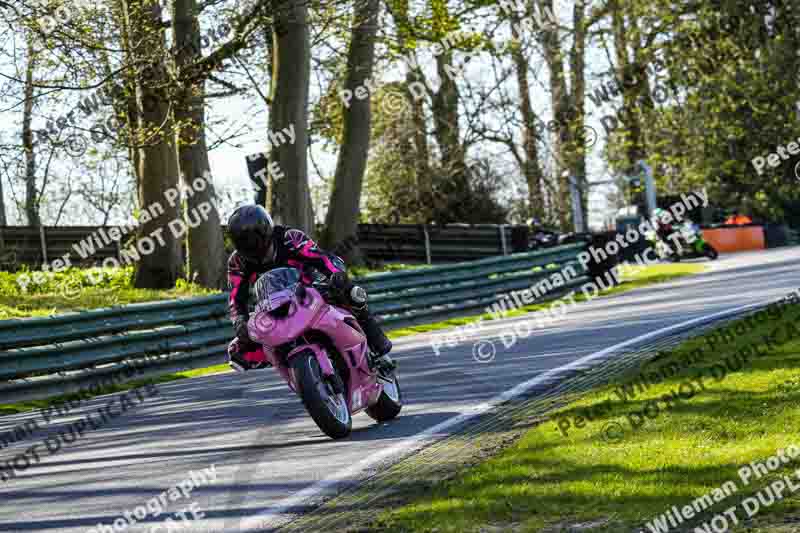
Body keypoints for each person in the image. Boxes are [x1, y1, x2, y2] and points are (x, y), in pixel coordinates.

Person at [225, 204, 394, 372]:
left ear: (266, 229)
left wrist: (336, 275)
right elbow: (235, 297)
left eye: (254, 238)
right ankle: (288, 363)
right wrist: (239, 319)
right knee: (237, 350)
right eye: (243, 241)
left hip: (311, 289)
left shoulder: (289, 238)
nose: (251, 244)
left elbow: (321, 259)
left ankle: (379, 348)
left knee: (351, 293)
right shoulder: (237, 262)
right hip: (273, 306)